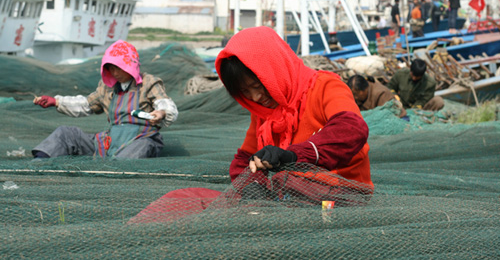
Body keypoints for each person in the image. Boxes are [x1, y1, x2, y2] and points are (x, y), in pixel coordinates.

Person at [215, 26, 373, 198]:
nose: (255, 97)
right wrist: (252, 186)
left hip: (342, 197)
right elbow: (245, 159)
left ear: (275, 69)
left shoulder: (325, 86)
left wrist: (293, 155)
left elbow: (352, 128)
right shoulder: (264, 110)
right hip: (291, 198)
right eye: (245, 92)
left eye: (257, 86)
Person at [32, 40, 178, 159]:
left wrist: (161, 113)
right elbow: (86, 104)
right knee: (66, 134)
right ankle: (40, 162)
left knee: (142, 147)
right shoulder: (107, 87)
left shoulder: (148, 82)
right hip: (111, 140)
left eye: (118, 68)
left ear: (130, 65)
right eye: (111, 68)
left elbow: (165, 103)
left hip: (140, 140)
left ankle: (115, 171)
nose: (115, 73)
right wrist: (57, 102)